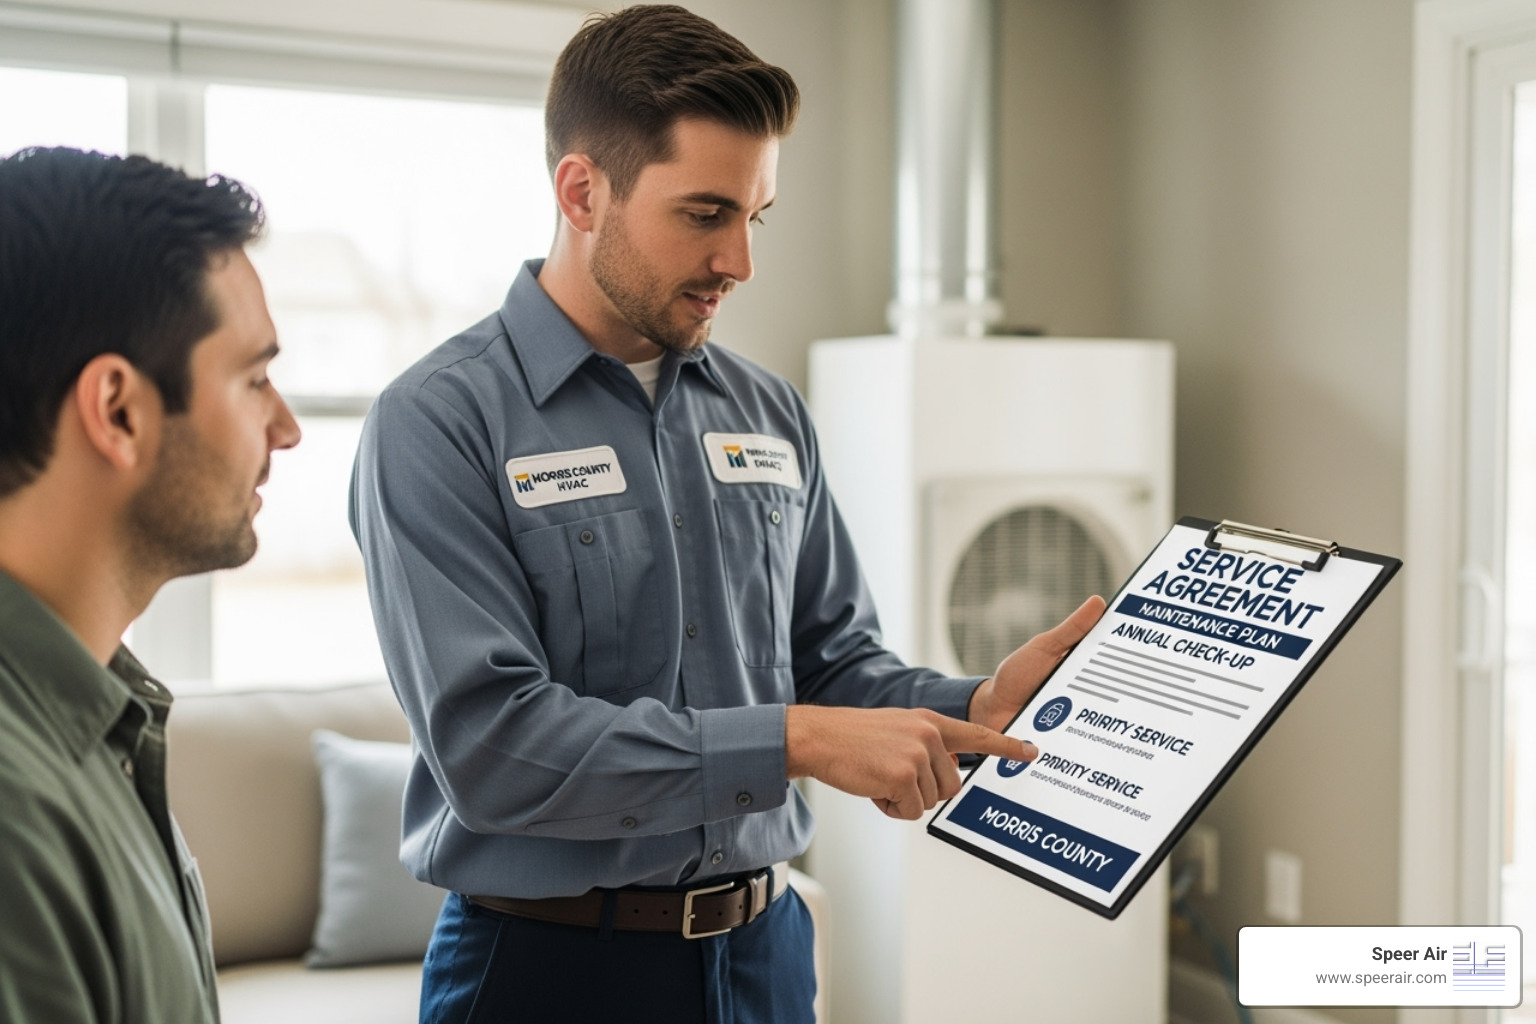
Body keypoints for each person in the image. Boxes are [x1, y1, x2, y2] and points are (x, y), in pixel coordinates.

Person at [349, 6, 1104, 1023]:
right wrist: (792, 740)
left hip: (765, 960)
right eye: (705, 214)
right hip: (546, 973)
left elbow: (833, 661)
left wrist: (968, 709)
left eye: (757, 216)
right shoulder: (438, 421)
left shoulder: (770, 412)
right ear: (582, 191)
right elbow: (493, 748)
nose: (740, 262)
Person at [0, 147, 301, 1022]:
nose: (284, 429)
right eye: (253, 379)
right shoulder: (16, 813)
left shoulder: (101, 720)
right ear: (120, 411)